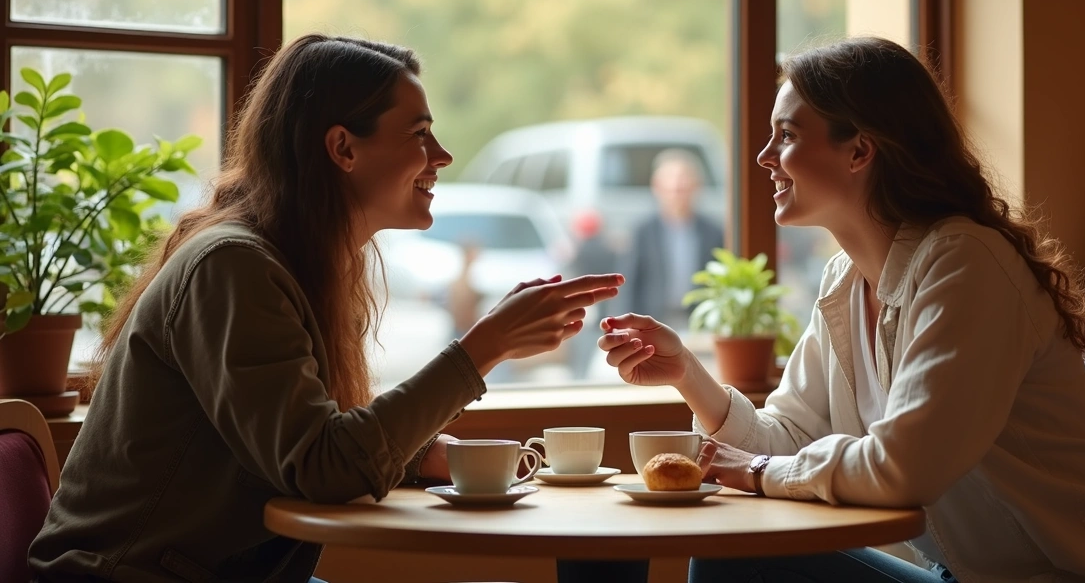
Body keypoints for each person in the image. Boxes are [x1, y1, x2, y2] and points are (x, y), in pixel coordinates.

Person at [28, 34, 622, 583]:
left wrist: (422, 456)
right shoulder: (233, 266)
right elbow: (323, 467)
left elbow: (310, 435)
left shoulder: (292, 264)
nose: (441, 154)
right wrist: (486, 345)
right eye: (419, 134)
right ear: (342, 148)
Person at [594, 38, 1085, 582]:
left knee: (737, 556)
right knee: (734, 547)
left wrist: (755, 474)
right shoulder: (846, 280)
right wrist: (687, 374)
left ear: (861, 150)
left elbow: (905, 469)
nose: (764, 157)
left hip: (1082, 577)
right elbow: (788, 438)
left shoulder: (964, 262)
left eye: (787, 135)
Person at [619, 148, 722, 331]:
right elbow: (629, 284)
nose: (677, 192)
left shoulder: (713, 232)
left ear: (696, 186)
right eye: (672, 187)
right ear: (657, 187)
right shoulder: (643, 232)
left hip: (697, 324)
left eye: (683, 187)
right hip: (653, 321)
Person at [566, 210, 620, 380]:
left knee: (581, 355)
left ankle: (580, 378)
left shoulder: (578, 251)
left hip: (583, 309)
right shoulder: (609, 250)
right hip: (603, 307)